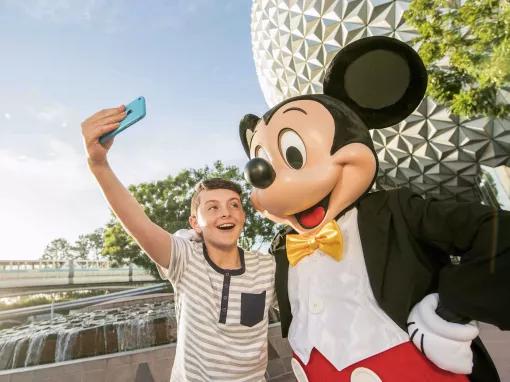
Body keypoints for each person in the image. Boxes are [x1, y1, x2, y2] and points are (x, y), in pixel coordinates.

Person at [81, 105, 276, 381]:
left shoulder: (267, 266)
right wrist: (98, 164)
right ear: (194, 223)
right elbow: (139, 222)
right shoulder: (184, 258)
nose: (226, 212)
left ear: (243, 216)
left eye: (234, 205)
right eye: (212, 207)